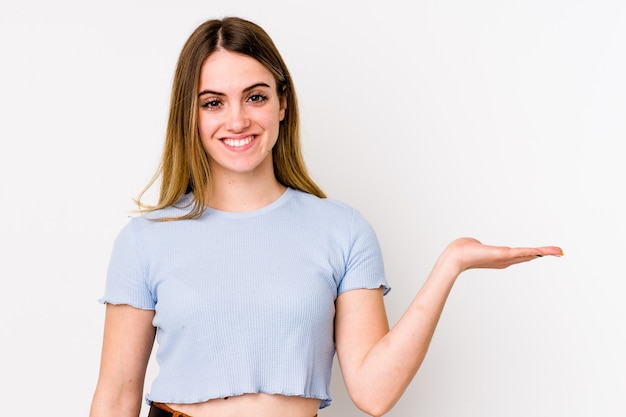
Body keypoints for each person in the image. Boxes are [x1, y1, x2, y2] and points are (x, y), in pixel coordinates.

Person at [88, 16, 563, 417]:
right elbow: (116, 394)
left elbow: (373, 393)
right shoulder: (146, 239)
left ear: (282, 102)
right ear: (190, 115)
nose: (237, 120)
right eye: (213, 102)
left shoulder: (342, 230)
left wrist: (451, 264)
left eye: (255, 97)